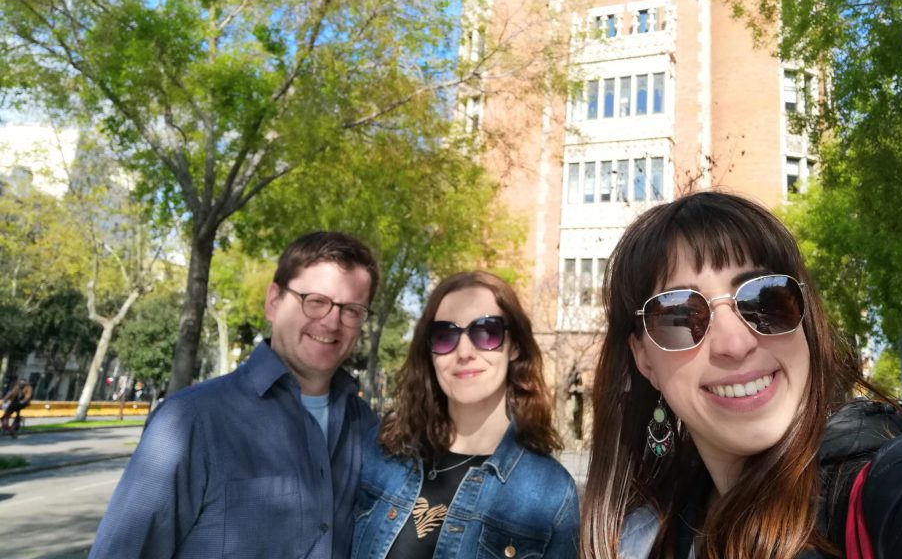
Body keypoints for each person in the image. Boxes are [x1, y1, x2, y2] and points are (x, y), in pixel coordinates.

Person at [581, 191, 902, 559]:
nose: (736, 344)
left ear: (804, 316)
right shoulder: (655, 528)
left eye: (766, 299)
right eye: (679, 316)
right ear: (643, 360)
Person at [90, 231, 380, 559]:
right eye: (315, 301)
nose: (332, 321)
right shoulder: (190, 421)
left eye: (352, 310)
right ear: (273, 302)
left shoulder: (367, 428)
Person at [351, 271, 579, 558]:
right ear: (430, 352)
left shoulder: (550, 494)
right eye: (445, 335)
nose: (464, 351)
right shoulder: (382, 452)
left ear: (515, 347)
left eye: (486, 331)